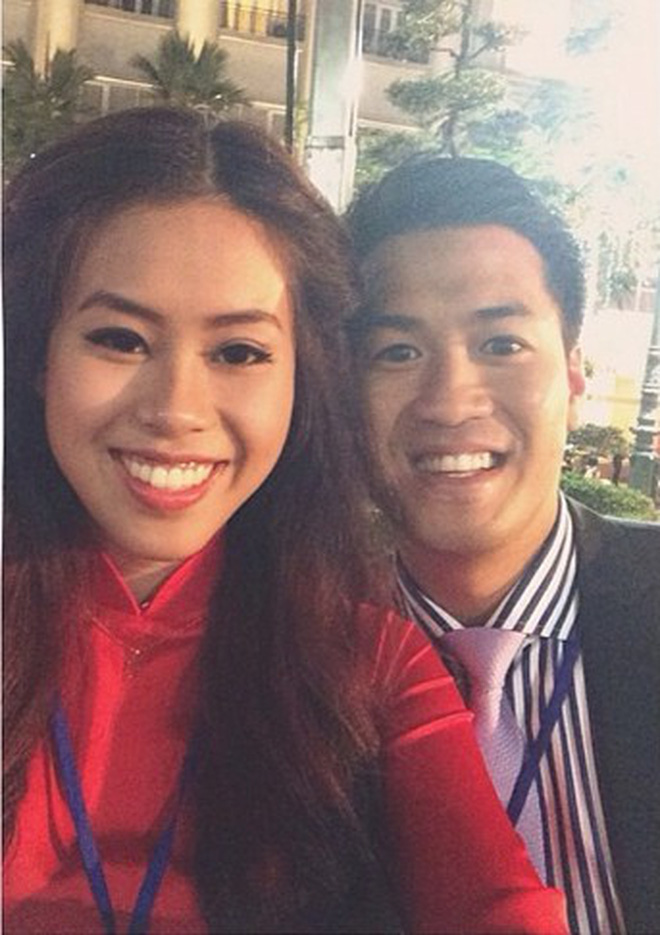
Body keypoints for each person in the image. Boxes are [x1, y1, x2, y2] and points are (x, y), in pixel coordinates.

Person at [2, 109, 566, 934]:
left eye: (239, 352)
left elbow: (499, 905)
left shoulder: (370, 664)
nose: (176, 409)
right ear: (37, 357)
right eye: (121, 339)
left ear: (303, 383)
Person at [347, 155, 660, 935]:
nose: (450, 401)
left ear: (575, 376)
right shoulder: (292, 657)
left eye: (501, 344)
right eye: (398, 352)